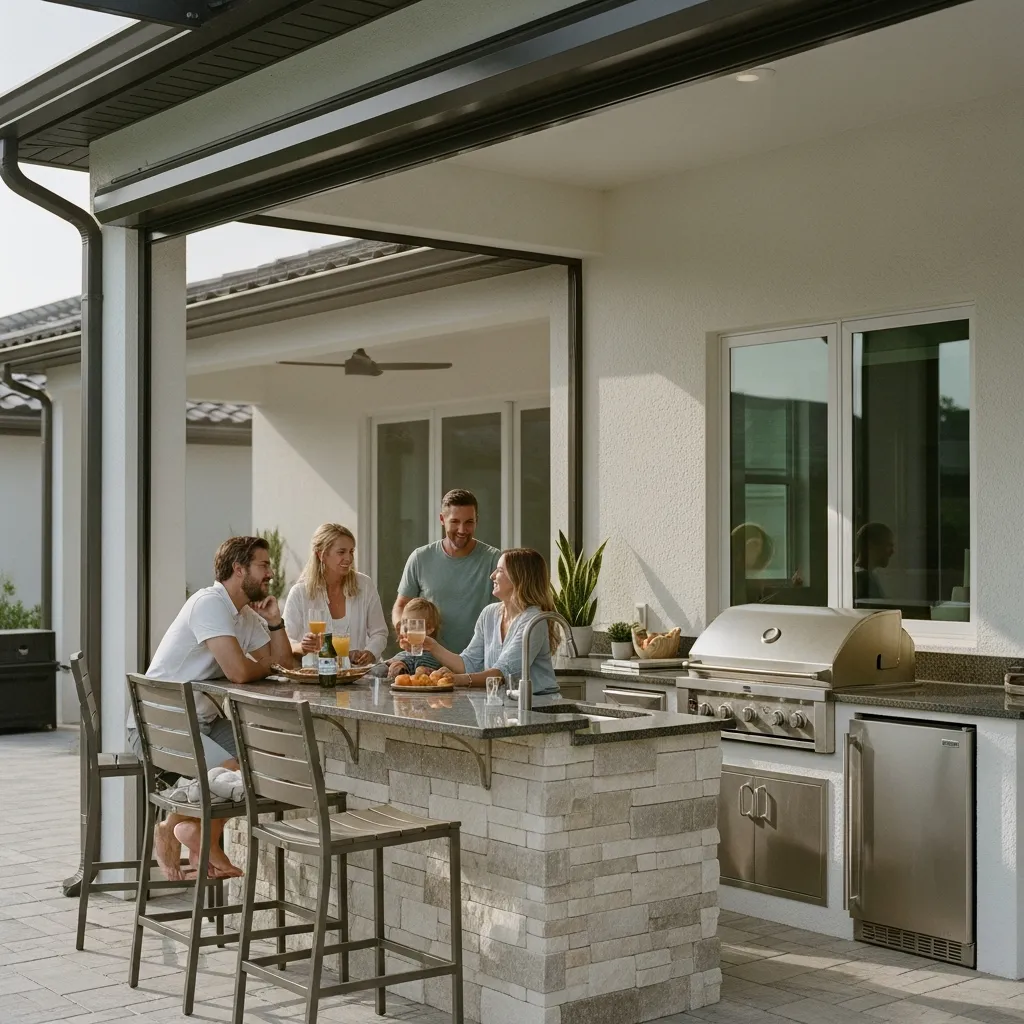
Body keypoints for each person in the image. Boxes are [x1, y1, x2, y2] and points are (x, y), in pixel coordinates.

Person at [128, 535, 294, 881]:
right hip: (158, 725)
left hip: (201, 720)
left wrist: (276, 622)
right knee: (234, 766)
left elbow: (284, 663)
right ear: (238, 569)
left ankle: (178, 825)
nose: (270, 574)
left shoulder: (245, 615)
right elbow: (240, 672)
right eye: (263, 565)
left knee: (259, 762)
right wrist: (266, 666)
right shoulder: (209, 604)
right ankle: (193, 833)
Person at [419, 548, 560, 696]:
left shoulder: (533, 621)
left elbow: (501, 673)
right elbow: (469, 663)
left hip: (539, 704)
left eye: (500, 570)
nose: (492, 576)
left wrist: (455, 680)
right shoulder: (490, 613)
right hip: (503, 704)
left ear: (518, 578)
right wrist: (432, 646)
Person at [392, 489, 501, 655]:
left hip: (478, 662)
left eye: (469, 522)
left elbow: (508, 611)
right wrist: (402, 628)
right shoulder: (420, 558)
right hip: (428, 661)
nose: (462, 529)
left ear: (477, 521)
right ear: (442, 519)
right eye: (455, 521)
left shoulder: (494, 559)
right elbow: (401, 605)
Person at [283, 523, 388, 666]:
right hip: (315, 677)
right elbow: (286, 642)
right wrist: (302, 647)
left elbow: (379, 633)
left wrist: (370, 652)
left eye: (351, 551)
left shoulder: (364, 585)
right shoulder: (300, 593)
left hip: (357, 678)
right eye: (341, 552)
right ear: (321, 554)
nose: (349, 558)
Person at [387, 597, 444, 678]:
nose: (406, 628)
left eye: (413, 623)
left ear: (429, 629)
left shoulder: (435, 659)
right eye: (404, 622)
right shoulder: (400, 656)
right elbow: (378, 671)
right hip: (399, 688)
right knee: (394, 666)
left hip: (424, 687)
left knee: (423, 671)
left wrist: (427, 672)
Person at [855, 522, 895, 601]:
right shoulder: (862, 580)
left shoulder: (866, 577)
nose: (892, 552)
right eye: (888, 546)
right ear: (871, 546)